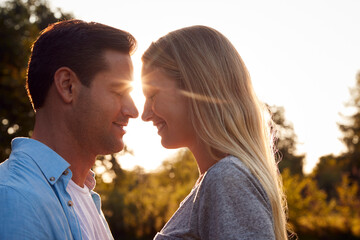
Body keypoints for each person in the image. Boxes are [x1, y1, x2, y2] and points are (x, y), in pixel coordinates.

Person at [141, 25, 291, 240]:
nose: (145, 114)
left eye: (152, 95)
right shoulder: (219, 179)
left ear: (195, 89)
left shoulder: (227, 178)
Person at [0, 20, 138, 239]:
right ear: (67, 86)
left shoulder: (85, 197)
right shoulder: (16, 197)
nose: (133, 110)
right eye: (118, 91)